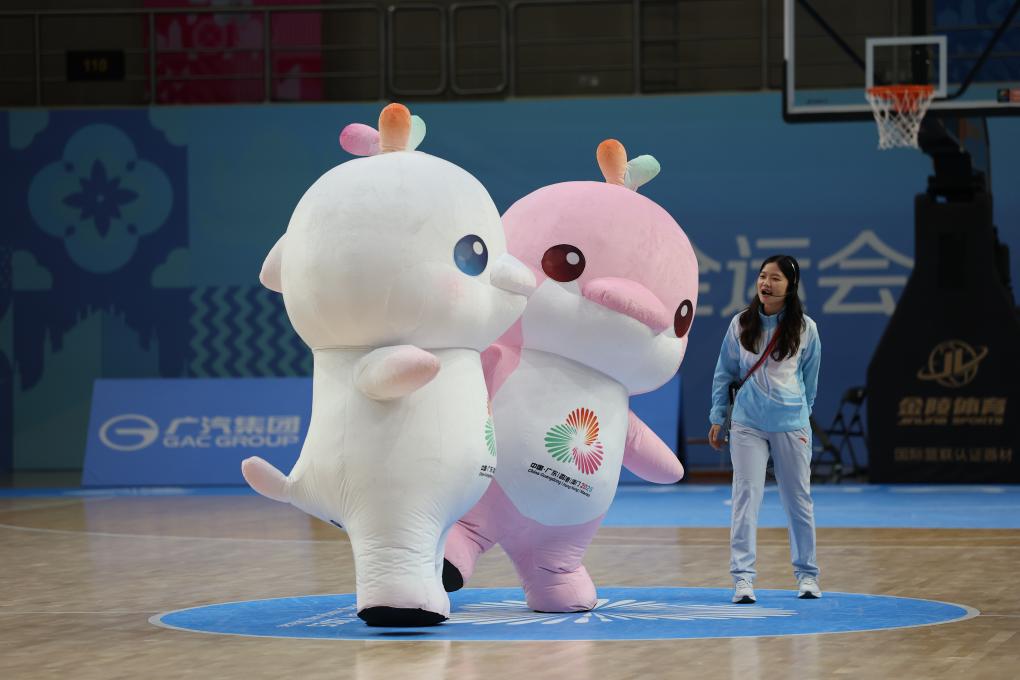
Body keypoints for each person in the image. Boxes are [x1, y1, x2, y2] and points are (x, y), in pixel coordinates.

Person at [708, 254, 822, 604]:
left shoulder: (806, 328)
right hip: (748, 424)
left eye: (775, 278)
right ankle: (743, 579)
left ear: (790, 286)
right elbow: (724, 372)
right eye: (762, 276)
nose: (766, 283)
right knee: (745, 498)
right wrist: (718, 417)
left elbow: (810, 382)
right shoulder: (741, 323)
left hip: (791, 424)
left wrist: (800, 418)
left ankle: (807, 575)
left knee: (798, 500)